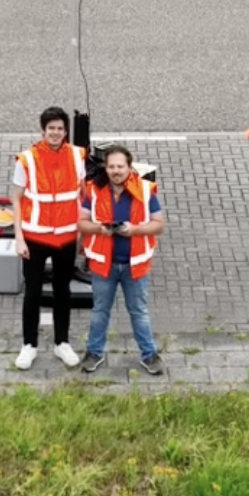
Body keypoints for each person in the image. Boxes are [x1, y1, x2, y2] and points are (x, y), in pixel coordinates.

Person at [78, 144, 166, 376]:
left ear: (129, 168)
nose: (116, 171)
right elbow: (81, 223)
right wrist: (100, 228)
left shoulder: (146, 191)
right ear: (105, 168)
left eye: (120, 166)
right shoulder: (94, 191)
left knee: (138, 312)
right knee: (100, 311)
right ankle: (94, 352)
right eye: (111, 167)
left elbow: (159, 225)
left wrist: (134, 230)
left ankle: (150, 355)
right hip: (103, 265)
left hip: (134, 265)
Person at [11, 106, 86, 370]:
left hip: (66, 237)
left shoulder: (78, 156)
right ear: (43, 130)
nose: (55, 133)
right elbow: (16, 199)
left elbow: (82, 197)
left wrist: (83, 236)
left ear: (66, 131)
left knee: (62, 291)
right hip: (35, 238)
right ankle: (28, 345)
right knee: (32, 292)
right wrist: (18, 237)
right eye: (51, 128)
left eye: (60, 129)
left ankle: (62, 343)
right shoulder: (27, 159)